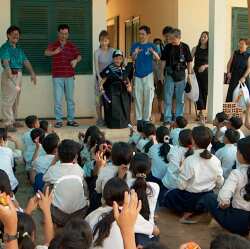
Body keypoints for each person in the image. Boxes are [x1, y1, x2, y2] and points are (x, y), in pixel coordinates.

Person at [163, 126, 224, 223]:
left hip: (190, 197)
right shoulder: (215, 160)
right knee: (209, 199)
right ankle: (201, 211)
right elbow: (220, 181)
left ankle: (188, 212)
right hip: (208, 195)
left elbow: (181, 185)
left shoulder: (189, 160)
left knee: (169, 195)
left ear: (193, 141)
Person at [85, 177, 159, 249]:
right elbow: (155, 231)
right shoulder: (128, 214)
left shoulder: (92, 215)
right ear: (127, 196)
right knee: (151, 237)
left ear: (104, 197)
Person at [203, 136, 250, 236]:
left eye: (238, 151)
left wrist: (224, 204)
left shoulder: (237, 173)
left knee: (209, 198)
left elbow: (223, 199)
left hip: (238, 222)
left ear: (241, 155)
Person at [43, 139, 89, 227]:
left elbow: (44, 177)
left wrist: (54, 161)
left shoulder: (53, 170)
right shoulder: (79, 169)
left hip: (59, 216)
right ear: (75, 157)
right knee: (82, 182)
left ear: (58, 155)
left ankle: (51, 220)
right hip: (79, 214)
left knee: (46, 185)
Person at [0, 25, 37, 132]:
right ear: (8, 35)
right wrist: (9, 71)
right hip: (9, 74)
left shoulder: (19, 49)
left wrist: (32, 73)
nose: (16, 36)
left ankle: (13, 119)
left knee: (16, 99)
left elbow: (25, 61)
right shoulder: (5, 47)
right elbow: (5, 61)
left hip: (19, 74)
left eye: (18, 34)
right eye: (14, 34)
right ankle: (7, 123)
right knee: (8, 99)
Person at [45, 24, 82, 128]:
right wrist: (54, 52)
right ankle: (58, 121)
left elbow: (79, 56)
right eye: (62, 33)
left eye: (65, 33)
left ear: (68, 34)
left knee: (70, 99)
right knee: (58, 99)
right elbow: (46, 53)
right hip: (57, 76)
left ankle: (71, 120)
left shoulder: (71, 45)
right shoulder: (54, 44)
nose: (63, 36)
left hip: (69, 76)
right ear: (58, 33)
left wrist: (75, 60)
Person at [161, 28, 193, 125]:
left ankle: (179, 118)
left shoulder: (185, 47)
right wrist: (162, 74)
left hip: (181, 75)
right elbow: (163, 61)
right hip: (169, 74)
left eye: (172, 38)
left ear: (178, 37)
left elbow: (189, 61)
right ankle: (167, 118)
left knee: (180, 98)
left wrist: (189, 76)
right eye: (170, 38)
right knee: (168, 97)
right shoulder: (167, 47)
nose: (170, 40)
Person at [128, 153, 160, 247]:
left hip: (130, 233)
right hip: (150, 233)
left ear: (131, 169)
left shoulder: (125, 185)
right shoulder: (155, 187)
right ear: (149, 170)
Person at [131, 25, 160, 122]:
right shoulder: (135, 45)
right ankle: (139, 119)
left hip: (148, 74)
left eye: (143, 34)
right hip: (138, 74)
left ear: (148, 35)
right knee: (138, 97)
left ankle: (146, 119)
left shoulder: (152, 46)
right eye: (139, 34)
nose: (141, 36)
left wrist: (153, 52)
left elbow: (158, 59)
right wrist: (135, 52)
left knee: (149, 97)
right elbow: (133, 58)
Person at [99, 50, 132, 129]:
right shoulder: (109, 68)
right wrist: (101, 87)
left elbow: (126, 78)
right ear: (113, 59)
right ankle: (113, 124)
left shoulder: (124, 68)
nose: (118, 60)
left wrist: (129, 86)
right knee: (114, 108)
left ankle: (125, 122)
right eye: (116, 58)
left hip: (123, 91)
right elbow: (104, 79)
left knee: (125, 106)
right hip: (112, 91)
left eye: (120, 58)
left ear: (122, 59)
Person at [94, 30, 114, 126]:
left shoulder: (113, 51)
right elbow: (97, 68)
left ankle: (109, 118)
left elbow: (116, 64)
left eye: (105, 40)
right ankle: (100, 119)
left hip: (110, 79)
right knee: (98, 100)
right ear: (99, 41)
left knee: (109, 99)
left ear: (108, 41)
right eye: (102, 40)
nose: (104, 43)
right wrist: (100, 80)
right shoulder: (97, 52)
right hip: (99, 78)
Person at [192, 31, 209, 121]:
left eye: (205, 37)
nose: (202, 38)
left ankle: (202, 112)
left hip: (205, 73)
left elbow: (212, 62)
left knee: (204, 91)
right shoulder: (195, 48)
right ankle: (201, 112)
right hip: (196, 72)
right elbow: (189, 60)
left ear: (208, 39)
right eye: (202, 37)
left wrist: (205, 66)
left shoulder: (210, 50)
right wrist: (190, 70)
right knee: (197, 92)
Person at [0, 128, 18, 193]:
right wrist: (16, 141)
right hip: (11, 187)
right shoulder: (8, 150)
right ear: (2, 139)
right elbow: (12, 164)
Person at [153, 38, 164, 121]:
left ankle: (162, 113)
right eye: (155, 44)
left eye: (159, 44)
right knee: (158, 95)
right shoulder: (151, 59)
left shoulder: (163, 59)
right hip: (153, 80)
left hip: (162, 80)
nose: (157, 45)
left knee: (161, 95)